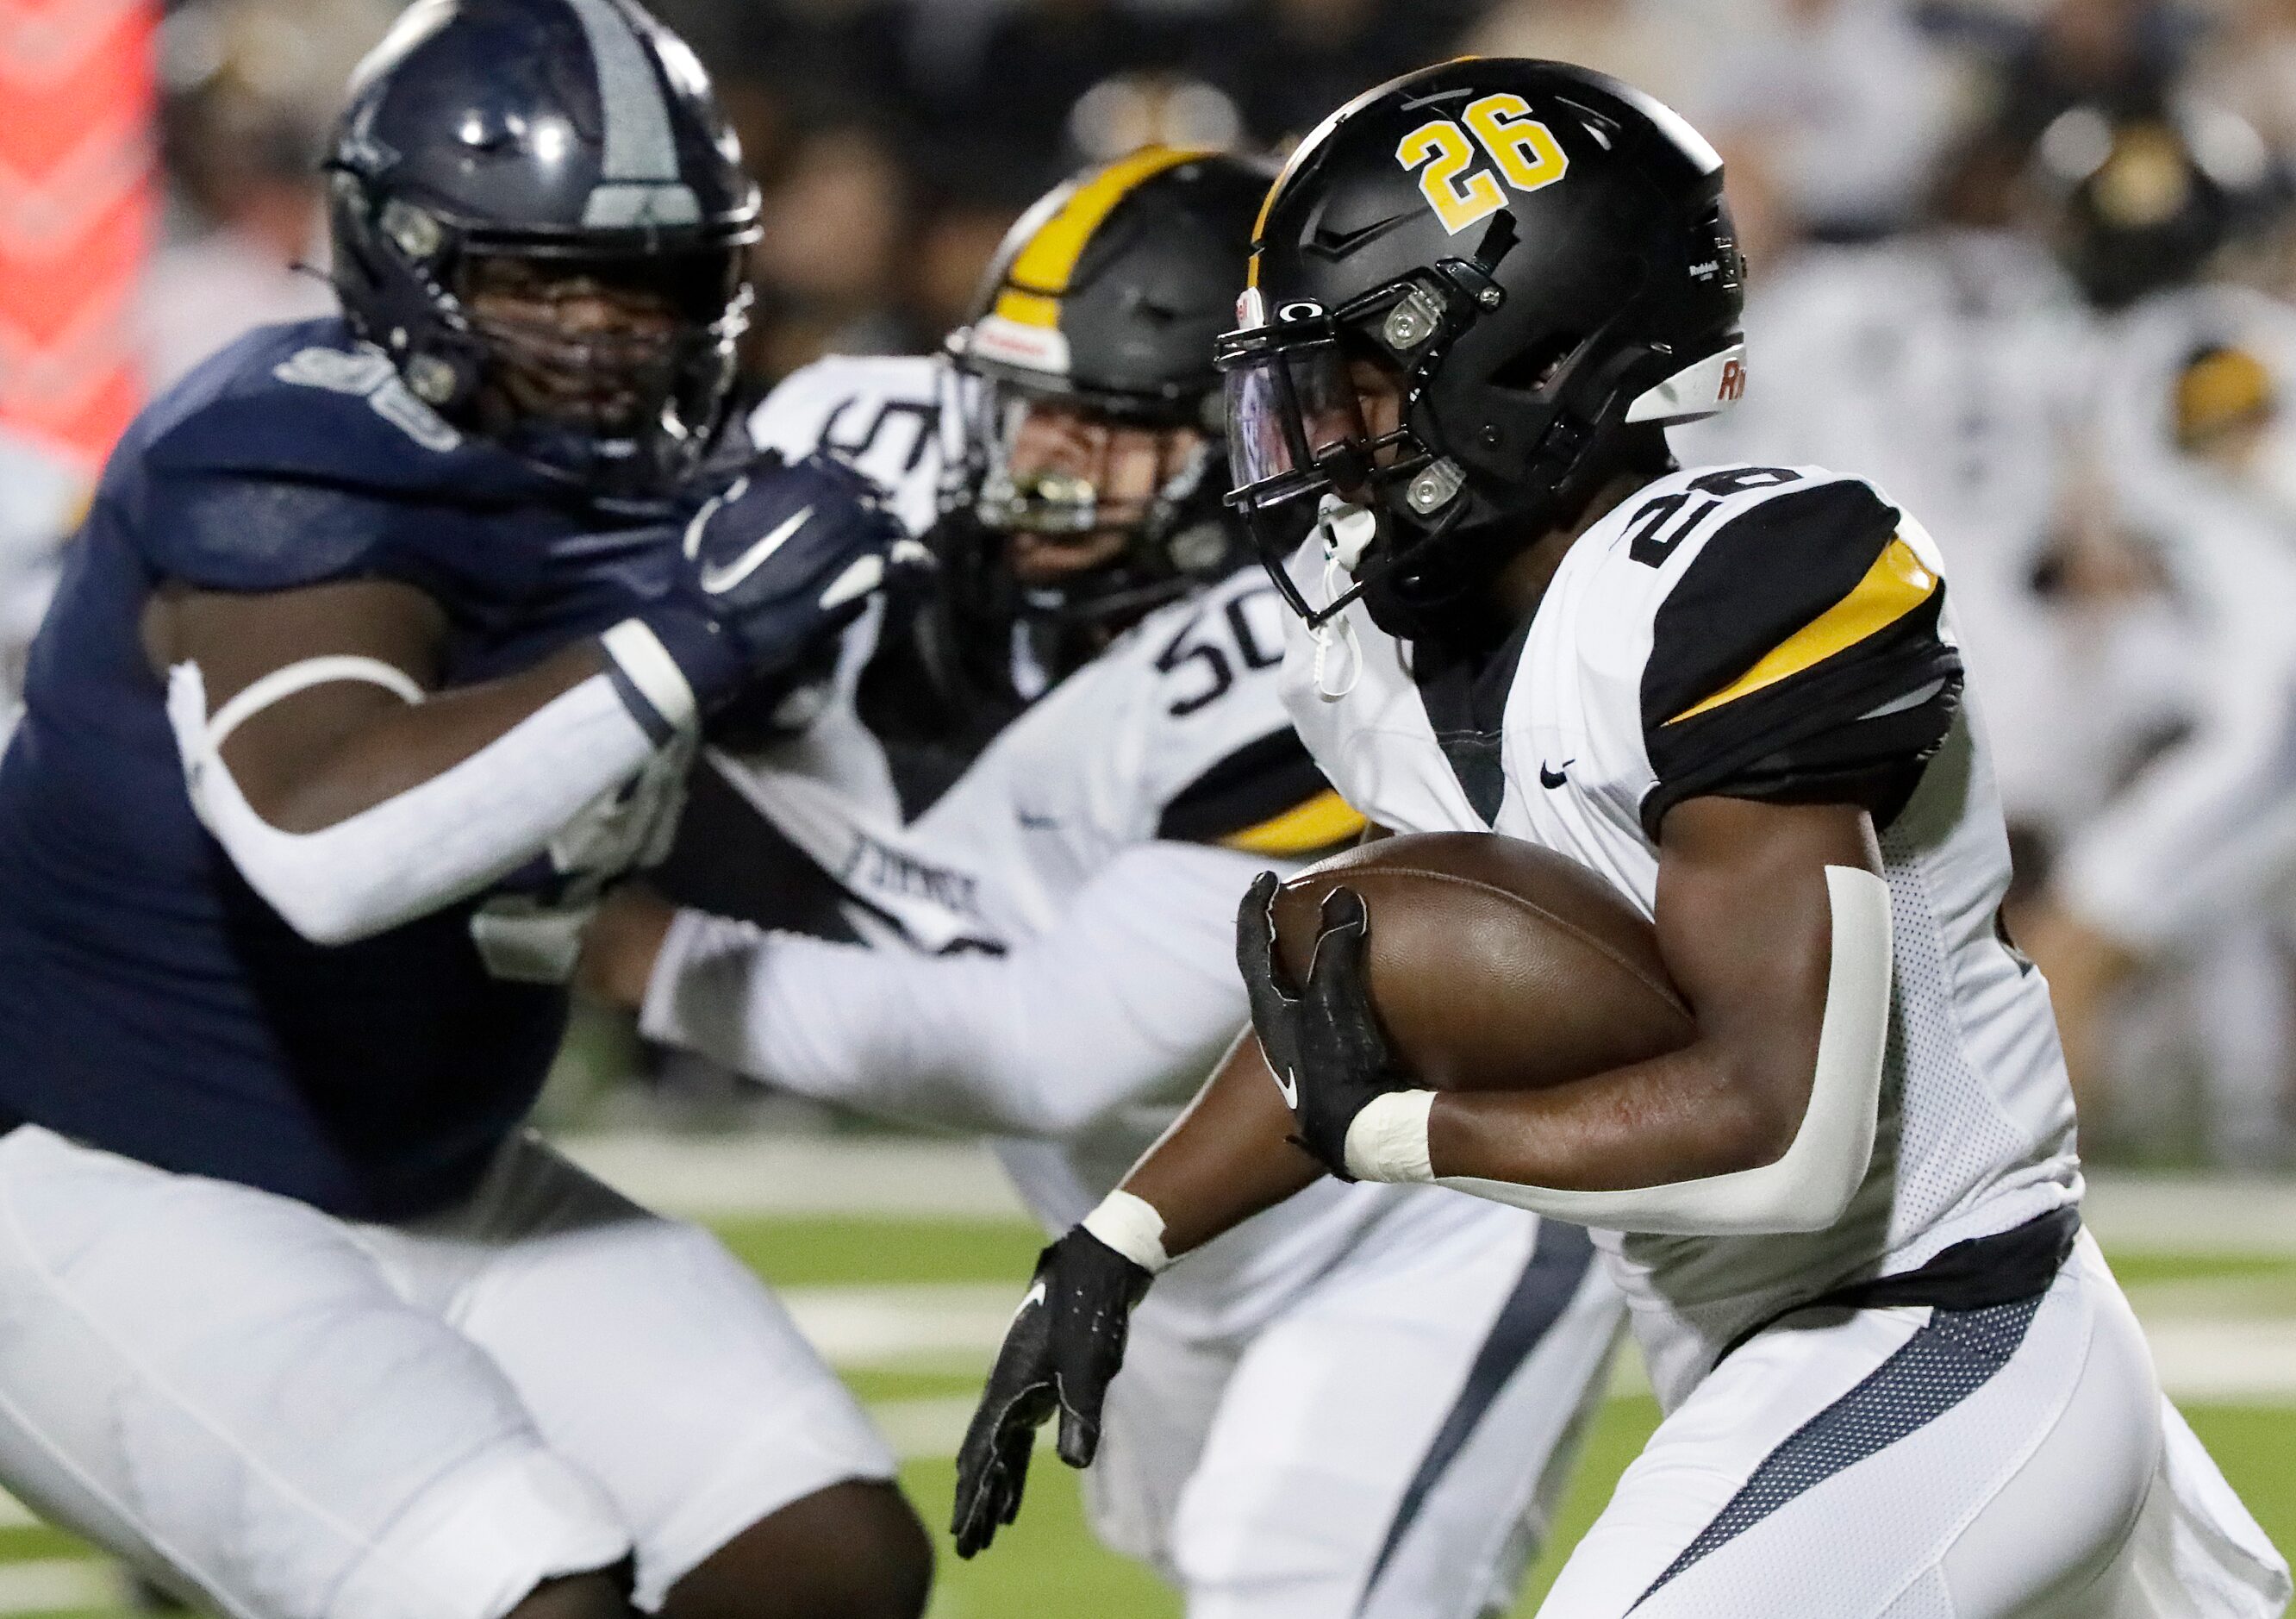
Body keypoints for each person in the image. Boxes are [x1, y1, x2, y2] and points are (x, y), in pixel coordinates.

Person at [955, 60, 2294, 1617]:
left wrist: (1393, 1134)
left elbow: (1784, 1138)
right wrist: (1124, 1233)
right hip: (1774, 1356)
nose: (1318, 437)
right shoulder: (1374, 659)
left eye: (1361, 385)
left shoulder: (1738, 582)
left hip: (1950, 1322)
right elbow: (1367, 979)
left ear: (1529, 359)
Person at [578, 147, 1625, 1619]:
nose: (1046, 462)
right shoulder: (847, 449)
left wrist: (626, 952)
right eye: (1025, 403)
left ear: (1242, 438)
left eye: (1112, 426)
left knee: (1300, 1588)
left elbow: (1048, 1046)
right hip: (1164, 1231)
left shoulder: (1306, 652)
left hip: (1415, 1217)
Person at [0, 2, 936, 1616]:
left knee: (823, 1560)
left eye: (645, 282)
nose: (599, 329)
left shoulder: (671, 479)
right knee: (529, 1593)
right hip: (102, 1174)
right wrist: (695, 637)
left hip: (426, 1168)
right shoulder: (290, 454)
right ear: (402, 259)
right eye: (537, 277)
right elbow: (328, 847)